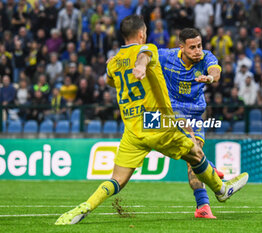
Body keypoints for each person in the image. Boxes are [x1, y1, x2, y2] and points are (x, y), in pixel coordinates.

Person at [55, 15, 248, 225]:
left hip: (133, 130)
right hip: (159, 123)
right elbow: (144, 55)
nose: (197, 50)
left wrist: (126, 69)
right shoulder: (151, 50)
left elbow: (111, 80)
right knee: (196, 154)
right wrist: (140, 64)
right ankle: (221, 190)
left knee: (117, 180)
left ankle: (84, 207)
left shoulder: (115, 61)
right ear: (141, 34)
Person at [158, 28, 224, 218]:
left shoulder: (206, 58)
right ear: (181, 47)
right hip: (174, 111)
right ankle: (209, 171)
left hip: (196, 115)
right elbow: (144, 51)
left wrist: (210, 77)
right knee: (194, 150)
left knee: (195, 161)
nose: (198, 51)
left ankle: (202, 207)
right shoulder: (166, 56)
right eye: (192, 47)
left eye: (200, 46)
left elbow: (216, 70)